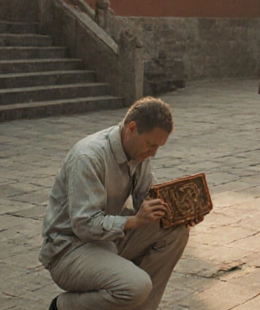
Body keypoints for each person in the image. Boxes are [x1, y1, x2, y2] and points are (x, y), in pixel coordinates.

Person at [40, 97, 195, 310]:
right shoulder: (88, 156)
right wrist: (134, 221)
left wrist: (181, 211)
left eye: (158, 147)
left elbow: (147, 198)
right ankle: (64, 306)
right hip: (69, 250)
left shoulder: (139, 154)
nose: (153, 153)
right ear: (131, 128)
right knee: (136, 286)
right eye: (151, 144)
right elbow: (84, 224)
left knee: (175, 231)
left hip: (106, 239)